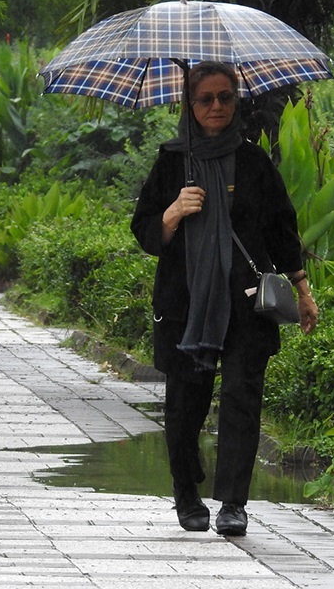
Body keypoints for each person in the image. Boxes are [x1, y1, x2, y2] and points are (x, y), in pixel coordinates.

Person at [130, 61, 318, 537]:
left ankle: (234, 503)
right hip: (186, 303)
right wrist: (173, 212)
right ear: (189, 106)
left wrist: (302, 288)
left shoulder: (254, 162)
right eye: (205, 99)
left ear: (237, 102)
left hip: (246, 303)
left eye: (225, 98)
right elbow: (145, 231)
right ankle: (187, 495)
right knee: (184, 406)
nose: (216, 107)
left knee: (241, 399)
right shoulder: (172, 161)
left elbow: (282, 229)